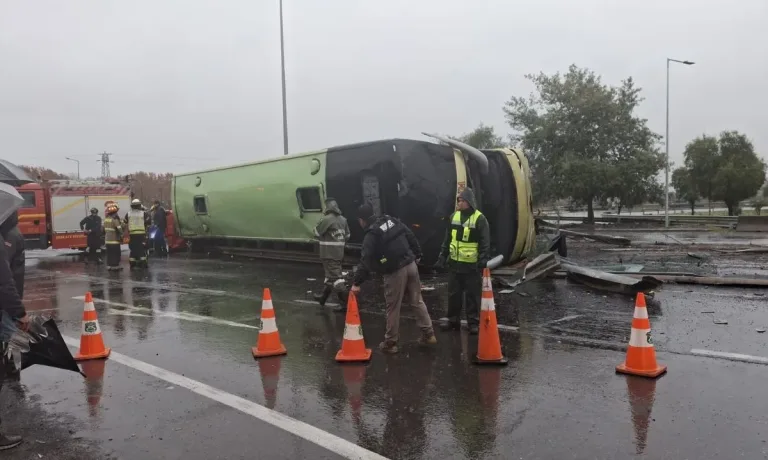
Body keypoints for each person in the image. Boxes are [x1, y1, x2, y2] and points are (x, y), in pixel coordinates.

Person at [350, 203, 436, 354]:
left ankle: (390, 342)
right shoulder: (391, 220)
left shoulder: (371, 234)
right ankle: (429, 334)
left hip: (395, 271)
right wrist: (418, 254)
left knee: (393, 306)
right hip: (411, 264)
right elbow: (409, 234)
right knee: (417, 301)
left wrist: (357, 282)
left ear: (362, 220)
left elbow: (366, 259)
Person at [434, 188, 490, 335]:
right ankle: (453, 320)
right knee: (453, 294)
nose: (459, 202)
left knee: (472, 296)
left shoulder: (479, 219)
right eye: (458, 200)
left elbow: (485, 241)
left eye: (462, 200)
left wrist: (483, 259)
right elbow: (448, 239)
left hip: (471, 265)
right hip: (454, 264)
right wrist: (442, 256)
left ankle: (473, 323)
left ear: (469, 202)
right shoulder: (454, 217)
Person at [0, 205, 29, 451]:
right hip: (5, 306)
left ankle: (10, 364)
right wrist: (19, 311)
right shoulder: (10, 236)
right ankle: (11, 364)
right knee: (11, 338)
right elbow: (5, 281)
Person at [312, 197, 350, 311]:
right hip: (339, 253)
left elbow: (316, 232)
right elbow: (347, 236)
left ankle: (346, 304)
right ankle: (323, 298)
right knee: (330, 276)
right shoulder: (343, 219)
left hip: (328, 254)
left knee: (337, 279)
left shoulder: (327, 219)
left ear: (327, 207)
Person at [125, 199, 148, 269]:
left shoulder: (128, 214)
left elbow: (124, 222)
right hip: (141, 234)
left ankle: (132, 263)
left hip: (132, 234)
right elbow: (148, 222)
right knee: (141, 249)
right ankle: (143, 263)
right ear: (139, 206)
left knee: (133, 248)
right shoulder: (143, 213)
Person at [103, 204, 123, 271]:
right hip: (114, 241)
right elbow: (120, 230)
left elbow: (103, 230)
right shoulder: (115, 220)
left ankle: (109, 266)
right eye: (116, 212)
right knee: (116, 253)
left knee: (109, 254)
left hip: (107, 241)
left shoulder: (105, 220)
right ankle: (115, 266)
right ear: (114, 213)